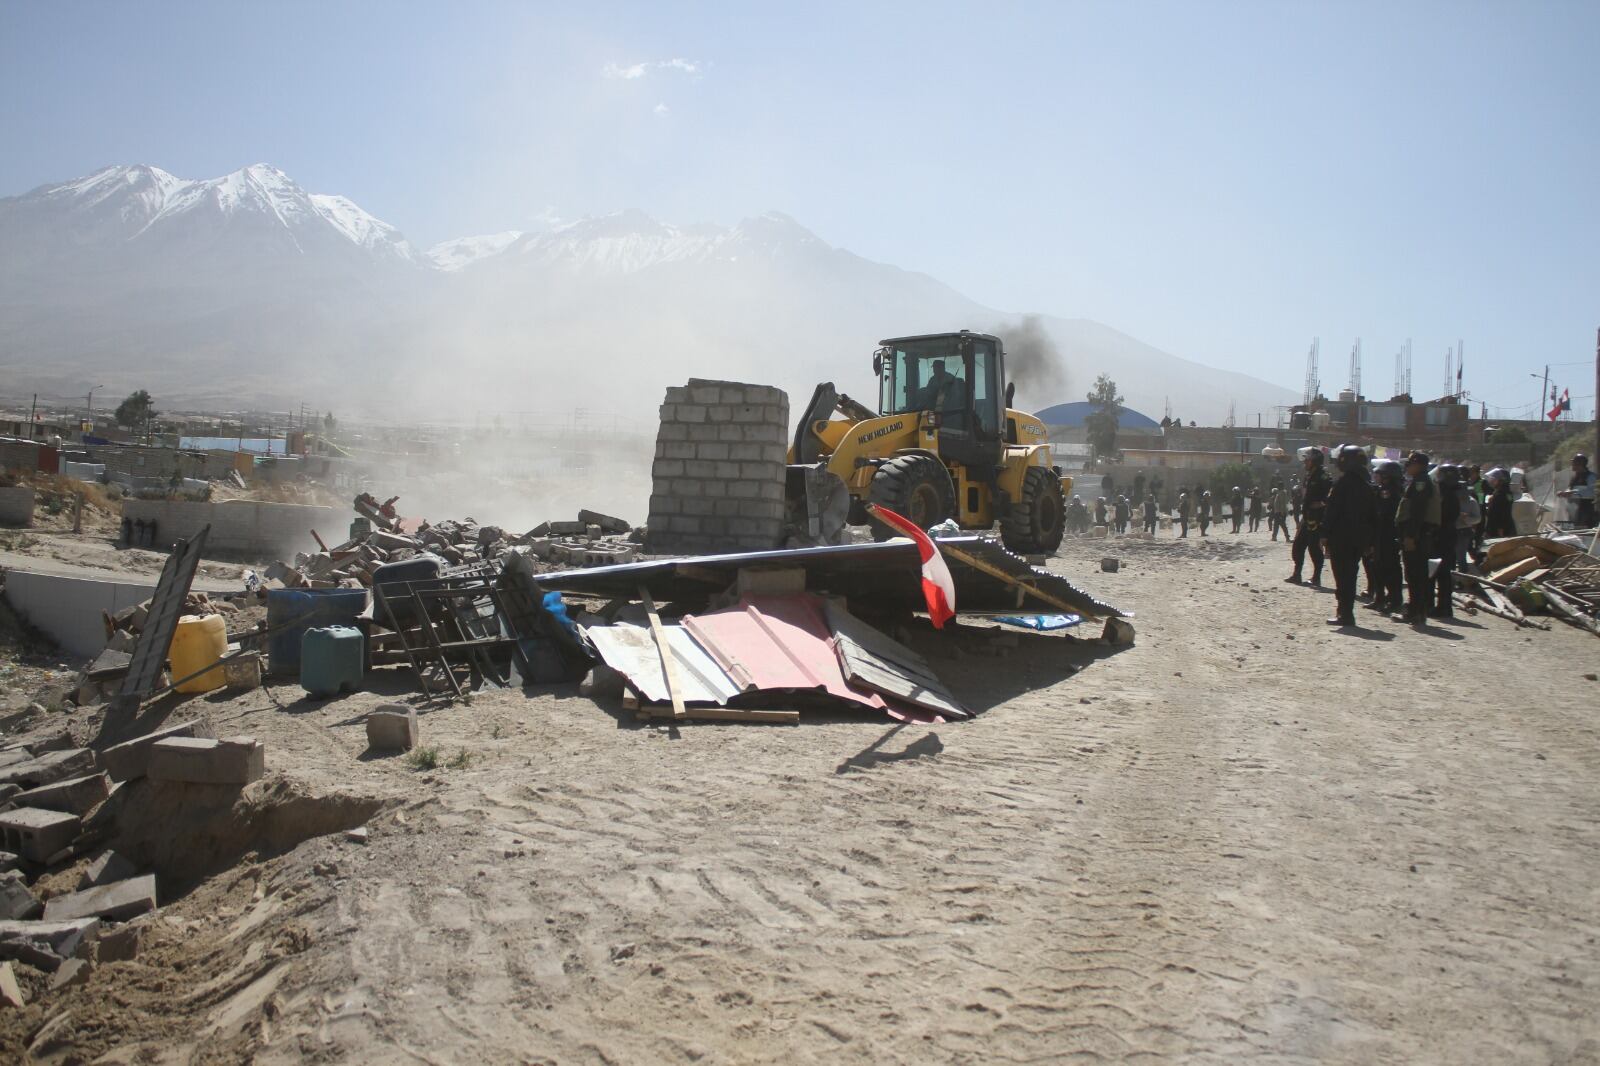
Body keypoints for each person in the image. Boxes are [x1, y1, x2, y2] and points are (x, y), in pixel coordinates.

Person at [1320, 445, 1377, 627]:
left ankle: (1344, 614)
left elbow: (1332, 511)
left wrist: (1324, 534)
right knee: (1351, 575)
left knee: (1342, 576)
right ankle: (1346, 612)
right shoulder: (1367, 485)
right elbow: (1373, 515)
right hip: (1359, 539)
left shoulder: (1343, 483)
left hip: (1341, 538)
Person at [1392, 450, 1439, 625]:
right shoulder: (1421, 481)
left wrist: (1411, 536)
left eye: (1410, 463)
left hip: (1417, 536)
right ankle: (1417, 610)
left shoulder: (1421, 483)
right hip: (1420, 535)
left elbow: (1417, 512)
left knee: (1415, 574)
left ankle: (1416, 612)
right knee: (1415, 574)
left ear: (1418, 464)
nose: (1407, 466)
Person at [1287, 448, 1330, 585]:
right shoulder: (1308, 475)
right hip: (1307, 516)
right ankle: (1296, 574)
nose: (1305, 462)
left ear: (1315, 461)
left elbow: (1331, 495)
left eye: (1308, 459)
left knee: (1314, 548)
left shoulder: (1323, 476)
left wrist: (1322, 503)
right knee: (1298, 546)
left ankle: (1316, 577)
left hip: (1318, 518)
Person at [1369, 459, 1405, 614]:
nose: (1377, 477)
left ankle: (1394, 599)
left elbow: (1383, 513)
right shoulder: (1383, 490)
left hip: (1388, 534)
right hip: (1380, 533)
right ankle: (1380, 597)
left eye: (1380, 474)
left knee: (1390, 567)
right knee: (1377, 566)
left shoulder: (1390, 492)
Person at [1430, 464, 1461, 618]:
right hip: (1446, 537)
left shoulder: (1446, 495)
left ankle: (1443, 607)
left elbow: (1441, 517)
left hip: (1442, 538)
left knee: (1440, 574)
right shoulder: (1449, 493)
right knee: (1442, 574)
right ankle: (1443, 606)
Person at [1557, 453, 1598, 528]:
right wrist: (1564, 493)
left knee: (1585, 532)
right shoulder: (1574, 477)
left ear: (1580, 464)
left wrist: (1574, 492)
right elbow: (1570, 488)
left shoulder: (1591, 476)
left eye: (1574, 463)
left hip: (1586, 511)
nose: (1572, 465)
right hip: (1575, 511)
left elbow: (1592, 492)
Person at [1482, 468, 1516, 539]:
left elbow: (1504, 512)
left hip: (1501, 530)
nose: (1491, 481)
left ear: (1501, 481)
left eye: (1494, 479)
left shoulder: (1503, 494)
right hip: (1496, 528)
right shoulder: (1499, 493)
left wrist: (1500, 528)